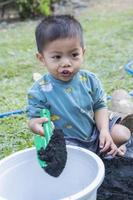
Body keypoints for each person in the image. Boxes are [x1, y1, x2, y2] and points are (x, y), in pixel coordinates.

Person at [27, 15, 131, 157]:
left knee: (122, 133)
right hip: (67, 142)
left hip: (95, 134)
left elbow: (99, 106)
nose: (66, 63)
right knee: (64, 158)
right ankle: (96, 156)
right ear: (42, 58)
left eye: (74, 54)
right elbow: (34, 119)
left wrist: (105, 131)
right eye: (57, 57)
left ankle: (109, 147)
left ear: (83, 52)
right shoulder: (39, 91)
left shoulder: (89, 80)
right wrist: (34, 125)